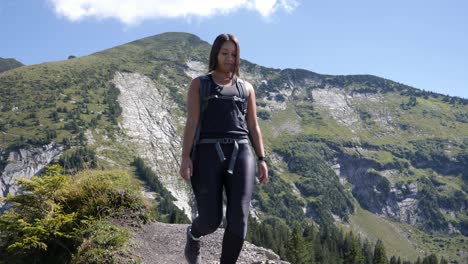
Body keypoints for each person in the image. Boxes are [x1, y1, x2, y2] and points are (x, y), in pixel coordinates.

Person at [179, 33, 268, 264]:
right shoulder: (200, 84)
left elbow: (253, 125)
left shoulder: (246, 88)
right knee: (210, 220)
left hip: (241, 153)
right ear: (216, 54)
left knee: (239, 217)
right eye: (225, 53)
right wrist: (185, 157)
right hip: (207, 153)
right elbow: (192, 122)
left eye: (234, 54)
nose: (230, 58)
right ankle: (193, 235)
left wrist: (261, 158)